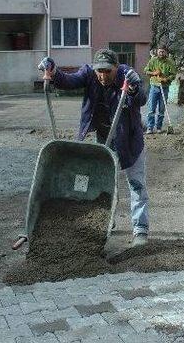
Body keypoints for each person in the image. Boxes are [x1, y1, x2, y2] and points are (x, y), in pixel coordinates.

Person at [37, 49, 150, 247]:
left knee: (136, 185)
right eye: (100, 71)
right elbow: (68, 81)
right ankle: (103, 221)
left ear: (116, 68)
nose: (103, 75)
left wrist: (133, 86)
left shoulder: (127, 75)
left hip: (129, 140)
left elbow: (141, 98)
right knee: (93, 183)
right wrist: (53, 70)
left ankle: (140, 229)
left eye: (108, 71)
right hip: (100, 139)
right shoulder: (89, 74)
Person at [144, 45, 177, 134]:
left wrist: (166, 79)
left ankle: (159, 127)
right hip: (154, 87)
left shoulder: (170, 62)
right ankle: (150, 127)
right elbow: (146, 71)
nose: (161, 53)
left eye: (163, 51)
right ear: (157, 52)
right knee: (152, 108)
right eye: (160, 51)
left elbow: (173, 74)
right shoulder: (153, 60)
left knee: (162, 108)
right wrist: (154, 73)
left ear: (166, 52)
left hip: (165, 87)